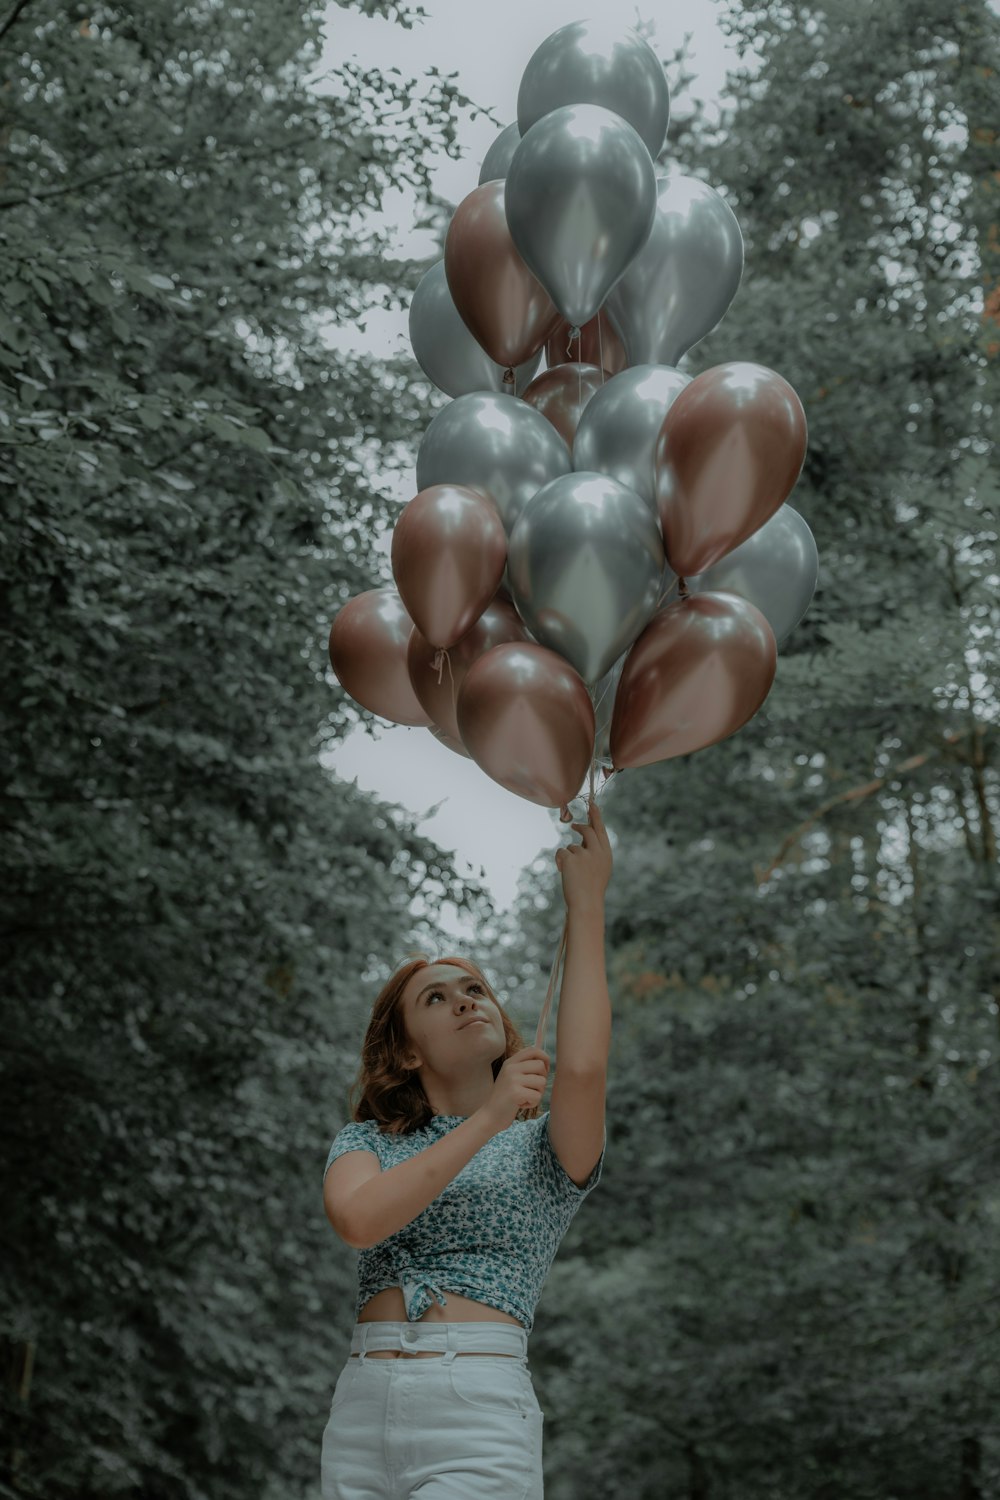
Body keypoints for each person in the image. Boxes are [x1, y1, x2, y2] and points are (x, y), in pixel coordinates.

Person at [320, 796, 614, 1499]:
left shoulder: (543, 1148)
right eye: (437, 998)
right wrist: (486, 1117)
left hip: (478, 1404)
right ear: (407, 1050)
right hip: (362, 1404)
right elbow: (359, 1221)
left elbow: (582, 1069)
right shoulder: (365, 1142)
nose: (466, 1001)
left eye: (475, 989)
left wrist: (587, 904)